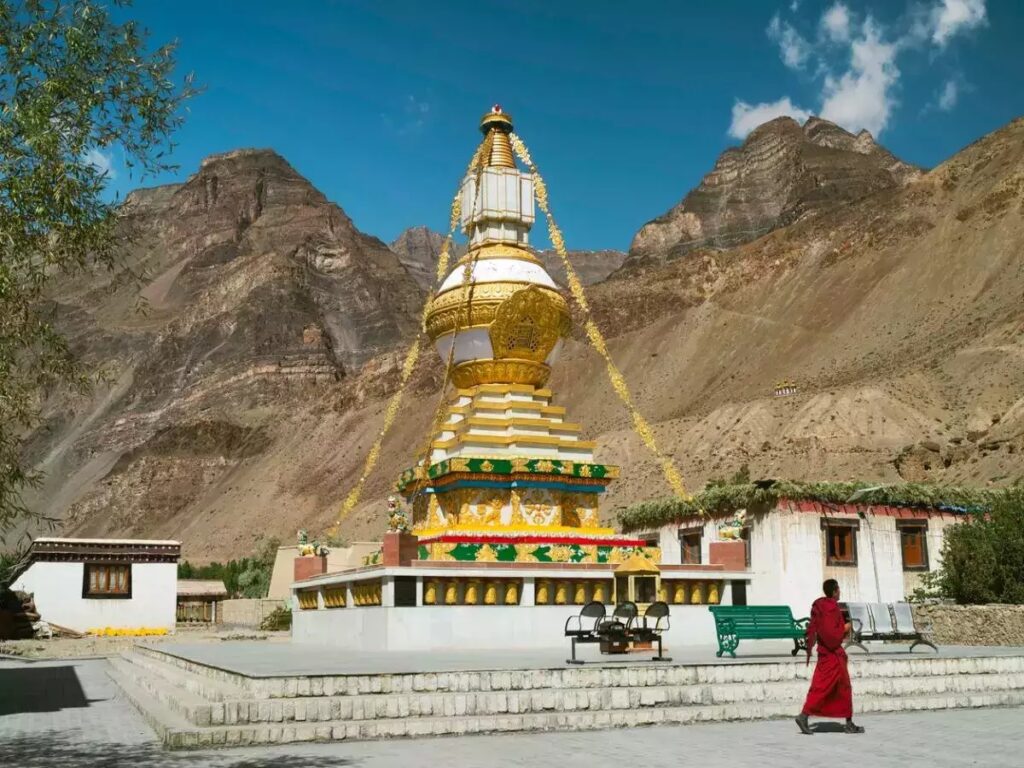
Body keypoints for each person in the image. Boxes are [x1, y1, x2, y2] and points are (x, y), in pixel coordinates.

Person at [795, 579, 865, 735]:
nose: (840, 591)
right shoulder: (831, 608)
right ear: (834, 591)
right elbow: (831, 635)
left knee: (839, 688)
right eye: (838, 589)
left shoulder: (822, 606)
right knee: (824, 688)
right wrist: (845, 628)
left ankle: (848, 722)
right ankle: (804, 715)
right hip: (832, 655)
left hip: (828, 654)